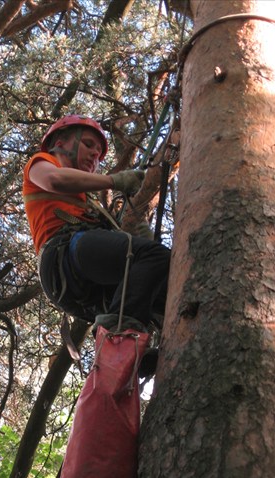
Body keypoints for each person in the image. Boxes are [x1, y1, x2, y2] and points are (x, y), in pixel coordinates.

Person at [23, 114, 170, 336]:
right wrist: (114, 181)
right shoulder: (42, 162)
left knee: (162, 292)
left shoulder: (85, 200)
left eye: (99, 154)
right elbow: (54, 180)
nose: (95, 155)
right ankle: (121, 333)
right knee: (153, 256)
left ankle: (133, 352)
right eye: (88, 145)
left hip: (82, 286)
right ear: (60, 144)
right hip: (63, 256)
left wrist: (140, 237)